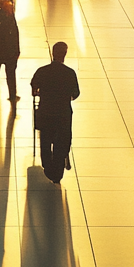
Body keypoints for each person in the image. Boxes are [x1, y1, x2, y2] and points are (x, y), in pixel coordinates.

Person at [31, 42, 81, 184]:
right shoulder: (70, 73)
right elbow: (75, 93)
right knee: (63, 141)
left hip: (46, 112)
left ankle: (48, 166)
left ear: (53, 53)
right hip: (63, 113)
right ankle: (57, 171)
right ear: (65, 54)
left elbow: (34, 88)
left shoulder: (42, 71)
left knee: (46, 139)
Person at [0, 0, 21, 103]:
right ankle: (12, 94)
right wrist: (17, 50)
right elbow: (15, 35)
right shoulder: (10, 18)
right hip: (9, 52)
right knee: (11, 74)